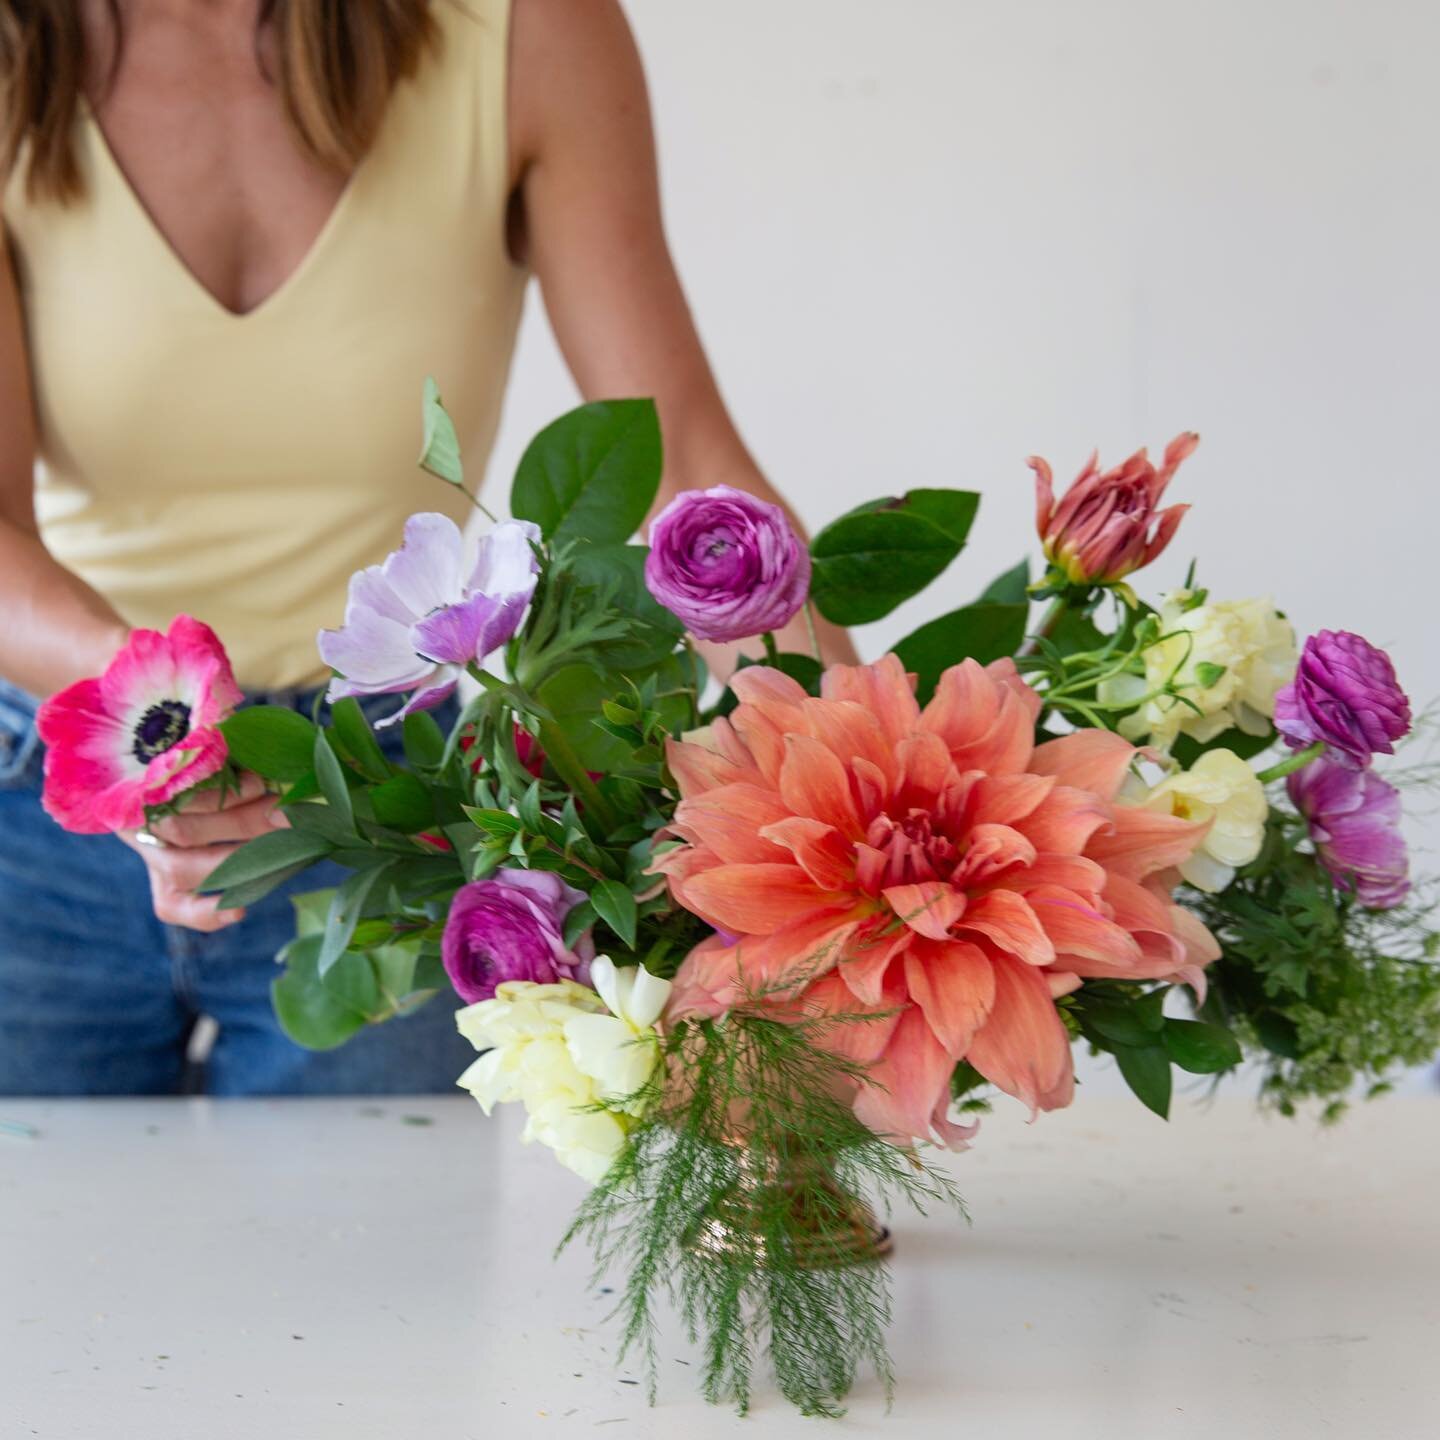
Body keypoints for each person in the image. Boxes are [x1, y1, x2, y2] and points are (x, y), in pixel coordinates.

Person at [0, 0, 847, 1096]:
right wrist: (164, 744)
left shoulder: (527, 34)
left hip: (392, 811)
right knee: (50, 1263)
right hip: (45, 788)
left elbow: (683, 461)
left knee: (368, 1261)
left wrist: (868, 799)